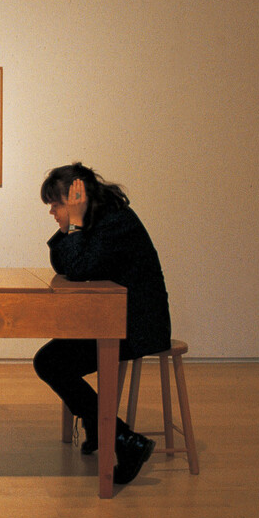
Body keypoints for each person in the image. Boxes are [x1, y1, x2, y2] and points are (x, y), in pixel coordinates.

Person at [33, 162, 171, 486]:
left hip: (136, 328)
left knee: (50, 362)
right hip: (111, 322)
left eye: (56, 204)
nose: (52, 212)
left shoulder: (114, 223)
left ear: (76, 199)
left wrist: (77, 225)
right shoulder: (100, 220)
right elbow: (62, 262)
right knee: (52, 361)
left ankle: (123, 439)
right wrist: (74, 226)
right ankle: (101, 428)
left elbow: (78, 268)